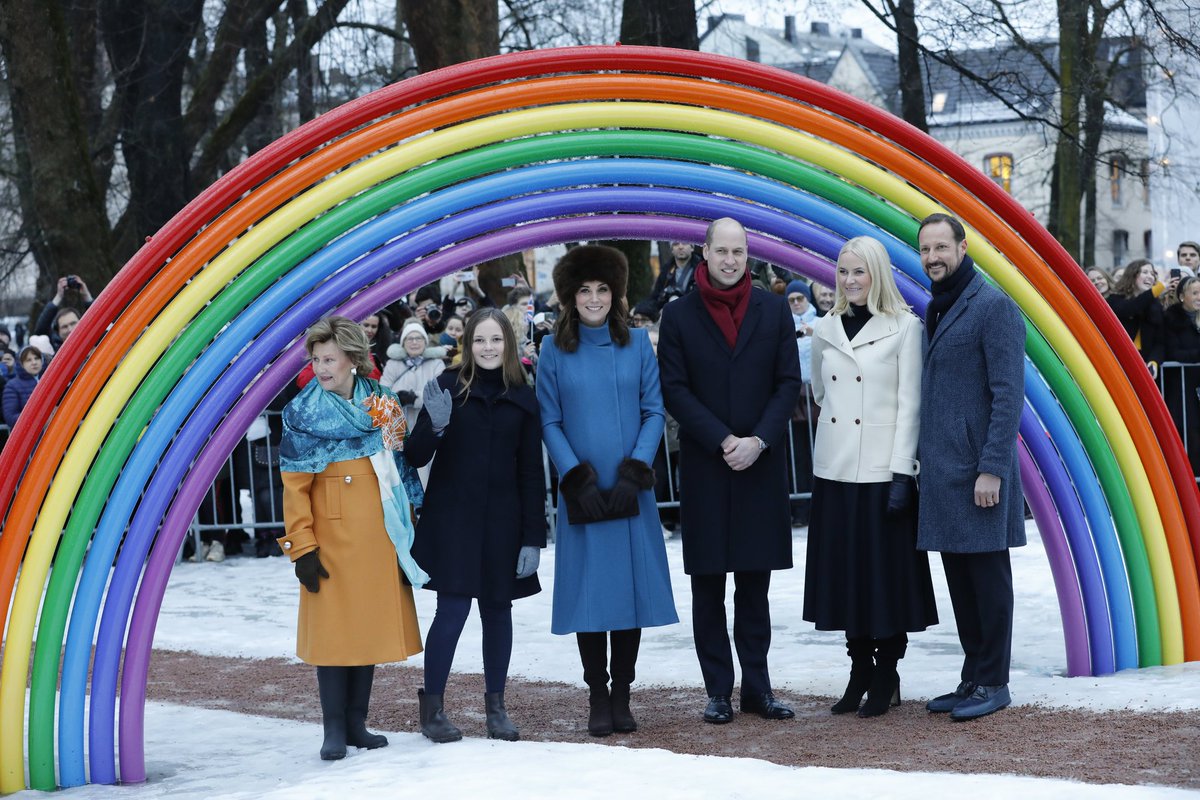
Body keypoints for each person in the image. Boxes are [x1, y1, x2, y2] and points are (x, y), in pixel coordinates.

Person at [657, 217, 803, 725]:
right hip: (707, 465)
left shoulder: (773, 308)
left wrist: (758, 440)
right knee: (708, 587)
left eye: (738, 251)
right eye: (721, 251)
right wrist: (723, 440)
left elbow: (788, 383)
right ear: (705, 253)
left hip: (759, 467)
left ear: (748, 254)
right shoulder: (678, 315)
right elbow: (674, 389)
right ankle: (718, 690)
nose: (730, 260)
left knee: (755, 587)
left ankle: (758, 689)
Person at [537, 245, 678, 737]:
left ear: (615, 294)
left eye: (602, 289)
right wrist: (575, 477)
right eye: (584, 290)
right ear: (570, 297)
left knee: (628, 595)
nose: (594, 298)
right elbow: (549, 420)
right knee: (591, 598)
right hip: (585, 494)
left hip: (628, 490)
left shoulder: (638, 343)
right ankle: (597, 694)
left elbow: (653, 410)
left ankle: (623, 694)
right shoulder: (553, 350)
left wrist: (636, 469)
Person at [277, 316, 426, 760]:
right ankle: (333, 729)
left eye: (330, 359)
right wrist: (301, 547)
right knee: (334, 635)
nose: (322, 368)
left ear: (353, 360)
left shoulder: (381, 402)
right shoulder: (304, 413)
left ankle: (358, 723)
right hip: (332, 539)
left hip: (381, 532)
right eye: (316, 359)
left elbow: (399, 466)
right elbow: (294, 486)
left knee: (367, 628)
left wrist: (412, 525)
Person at [803, 236, 937, 718]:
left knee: (885, 579)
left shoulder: (904, 328)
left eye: (859, 271)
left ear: (876, 274)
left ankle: (887, 672)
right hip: (836, 470)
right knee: (846, 578)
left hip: (883, 470)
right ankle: (859, 667)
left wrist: (903, 473)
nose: (850, 280)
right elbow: (820, 390)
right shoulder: (824, 327)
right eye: (843, 271)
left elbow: (911, 405)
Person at [405, 308, 546, 744]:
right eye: (480, 340)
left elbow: (530, 473)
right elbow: (414, 455)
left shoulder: (521, 395)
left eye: (496, 340)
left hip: (503, 523)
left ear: (508, 344)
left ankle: (496, 709)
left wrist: (533, 537)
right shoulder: (446, 386)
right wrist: (438, 425)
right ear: (468, 343)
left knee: (497, 612)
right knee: (452, 611)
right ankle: (433, 710)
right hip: (453, 520)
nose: (488, 348)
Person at [916, 212, 1024, 721]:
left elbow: (1008, 397)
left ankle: (994, 681)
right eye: (926, 249)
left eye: (941, 247)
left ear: (962, 248)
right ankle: (973, 675)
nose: (933, 257)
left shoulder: (993, 306)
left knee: (987, 580)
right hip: (945, 469)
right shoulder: (938, 306)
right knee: (960, 580)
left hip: (979, 471)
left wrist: (993, 469)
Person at [1163, 275, 1200, 473]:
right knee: (1190, 437)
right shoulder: (1171, 319)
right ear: (1182, 296)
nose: (1199, 297)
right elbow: (1174, 353)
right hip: (1183, 391)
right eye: (1195, 293)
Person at [381, 321, 446, 430]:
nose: (414, 342)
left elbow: (440, 394)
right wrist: (397, 398)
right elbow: (382, 392)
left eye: (419, 338)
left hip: (427, 425)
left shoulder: (437, 364)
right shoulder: (393, 364)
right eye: (409, 339)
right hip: (397, 426)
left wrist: (414, 398)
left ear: (425, 342)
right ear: (403, 343)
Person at [1107, 258, 1166, 377]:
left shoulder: (1155, 306)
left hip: (1145, 370)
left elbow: (1161, 342)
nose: (1150, 277)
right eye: (1145, 272)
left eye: (1153, 274)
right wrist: (1157, 289)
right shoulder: (1114, 300)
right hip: (1118, 366)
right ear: (1132, 275)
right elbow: (1129, 309)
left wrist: (1154, 362)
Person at [34, 275, 92, 351]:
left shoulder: (93, 339)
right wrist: (58, 296)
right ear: (58, 332)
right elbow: (41, 331)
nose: (70, 329)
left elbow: (101, 322)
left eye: (73, 323)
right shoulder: (54, 348)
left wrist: (86, 295)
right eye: (64, 327)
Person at [650, 240, 701, 309]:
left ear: (692, 248)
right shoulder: (666, 270)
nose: (680, 247)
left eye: (685, 243)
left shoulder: (702, 269)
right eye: (676, 244)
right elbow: (655, 297)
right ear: (672, 250)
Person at [2, 346, 43, 426]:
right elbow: (10, 417)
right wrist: (38, 417)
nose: (34, 362)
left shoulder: (49, 380)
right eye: (28, 360)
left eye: (37, 358)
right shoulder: (12, 386)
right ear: (21, 364)